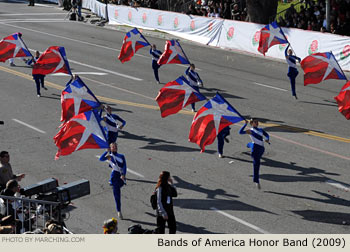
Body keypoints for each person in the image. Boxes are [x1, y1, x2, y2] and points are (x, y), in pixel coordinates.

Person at [239, 119, 270, 189]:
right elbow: (240, 132)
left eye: (257, 121)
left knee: (252, 144)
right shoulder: (250, 130)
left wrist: (268, 138)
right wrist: (245, 124)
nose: (257, 123)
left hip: (261, 148)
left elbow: (266, 134)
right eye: (255, 122)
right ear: (252, 123)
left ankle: (249, 144)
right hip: (255, 149)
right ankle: (257, 181)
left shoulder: (261, 130)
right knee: (256, 164)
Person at [99, 143, 127, 219]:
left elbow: (124, 166)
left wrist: (123, 174)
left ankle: (118, 209)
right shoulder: (110, 157)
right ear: (110, 148)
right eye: (113, 147)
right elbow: (101, 159)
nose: (114, 148)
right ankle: (119, 211)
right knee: (117, 195)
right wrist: (106, 151)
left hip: (121, 176)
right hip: (115, 176)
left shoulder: (121, 156)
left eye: (115, 147)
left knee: (119, 188)